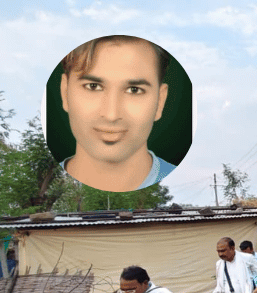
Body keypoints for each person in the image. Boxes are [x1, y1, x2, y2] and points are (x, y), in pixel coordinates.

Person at [58, 35, 175, 192]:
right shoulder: (48, 182)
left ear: (160, 101)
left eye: (134, 90)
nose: (111, 115)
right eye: (93, 86)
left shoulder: (177, 181)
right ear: (65, 93)